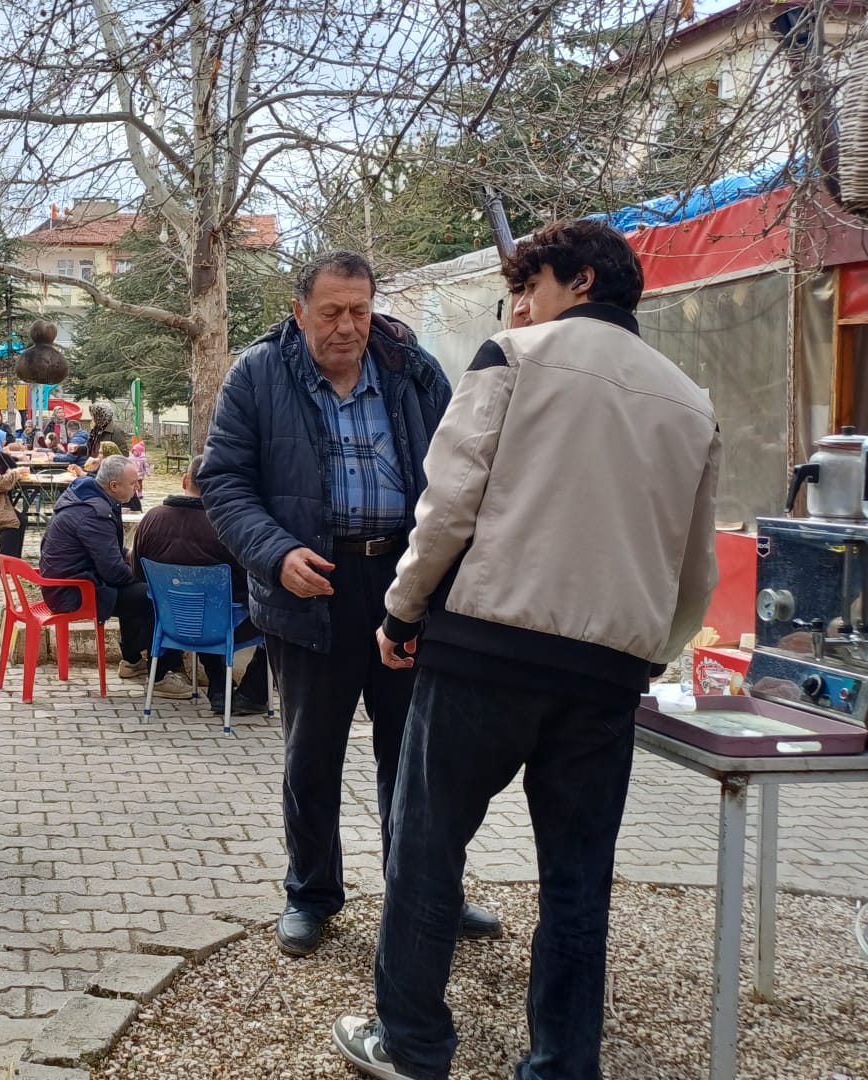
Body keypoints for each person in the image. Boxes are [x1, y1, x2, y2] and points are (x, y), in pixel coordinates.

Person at [332, 222, 721, 1080]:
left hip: (486, 651)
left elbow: (448, 506)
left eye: (529, 287)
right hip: (607, 675)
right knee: (578, 883)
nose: (520, 305)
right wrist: (657, 646)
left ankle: (411, 1044)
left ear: (580, 281)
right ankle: (562, 1063)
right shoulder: (691, 400)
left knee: (428, 849)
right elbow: (696, 561)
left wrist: (402, 612)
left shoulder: (513, 357)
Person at [199, 250, 501, 959]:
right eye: (330, 311)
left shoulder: (410, 367)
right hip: (313, 585)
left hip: (405, 584)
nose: (347, 326)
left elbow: (462, 467)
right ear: (299, 310)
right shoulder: (257, 375)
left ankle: (430, 890)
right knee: (311, 756)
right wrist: (274, 553)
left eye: (359, 311)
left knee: (421, 757)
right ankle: (311, 893)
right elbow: (224, 482)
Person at [128, 452, 269, 715]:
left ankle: (220, 687)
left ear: (184, 480)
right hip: (224, 626)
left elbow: (138, 573)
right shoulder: (228, 528)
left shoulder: (151, 520)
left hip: (169, 623)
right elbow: (250, 582)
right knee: (274, 614)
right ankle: (251, 693)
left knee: (205, 606)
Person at [39, 457, 191, 697]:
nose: (137, 488)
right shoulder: (95, 513)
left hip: (70, 583)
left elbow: (107, 551)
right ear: (114, 486)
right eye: (133, 483)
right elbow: (115, 572)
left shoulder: (86, 498)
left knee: (135, 593)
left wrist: (134, 557)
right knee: (155, 596)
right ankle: (162, 675)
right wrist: (148, 574)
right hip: (74, 592)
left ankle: (131, 661)